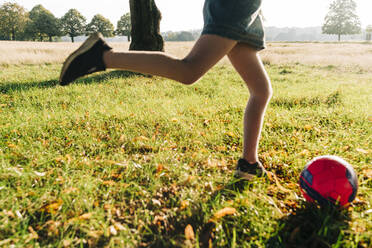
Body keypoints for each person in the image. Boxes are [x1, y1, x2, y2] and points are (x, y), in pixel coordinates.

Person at [59, 0, 272, 180]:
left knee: (261, 90)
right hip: (237, 5)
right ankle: (101, 55)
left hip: (248, 8)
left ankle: (249, 164)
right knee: (189, 70)